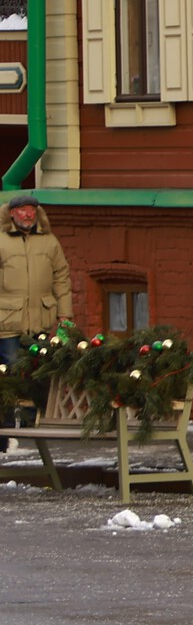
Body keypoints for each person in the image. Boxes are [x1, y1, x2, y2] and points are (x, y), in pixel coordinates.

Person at [0, 192, 73, 448]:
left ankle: (32, 426)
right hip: (7, 322)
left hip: (41, 320)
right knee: (9, 373)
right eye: (23, 210)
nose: (28, 214)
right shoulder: (1, 240)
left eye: (32, 209)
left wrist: (65, 315)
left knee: (38, 372)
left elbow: (61, 278)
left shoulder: (49, 242)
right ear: (12, 213)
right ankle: (6, 429)